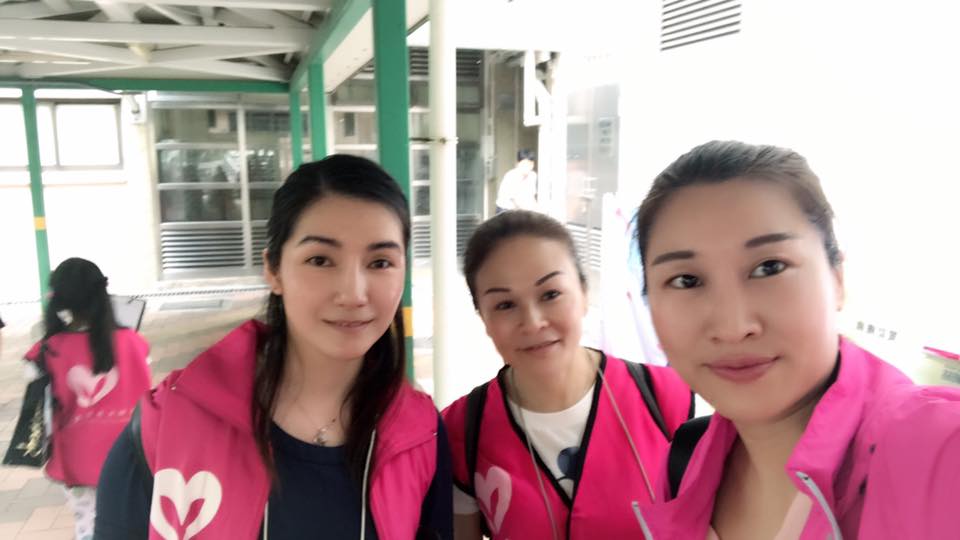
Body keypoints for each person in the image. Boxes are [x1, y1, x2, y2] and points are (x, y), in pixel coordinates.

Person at [94, 155, 453, 539]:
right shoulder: (167, 424)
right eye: (320, 260)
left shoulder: (421, 434)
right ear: (274, 270)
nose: (353, 293)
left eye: (380, 262)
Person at [631, 141, 960, 539]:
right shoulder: (683, 466)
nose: (734, 327)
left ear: (837, 278)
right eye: (687, 280)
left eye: (770, 267)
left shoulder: (939, 452)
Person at [442, 210, 693, 540]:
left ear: (584, 293)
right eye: (505, 305)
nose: (533, 322)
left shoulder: (670, 398)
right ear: (483, 319)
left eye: (550, 294)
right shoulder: (461, 429)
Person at [23, 258, 151, 540]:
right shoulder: (133, 342)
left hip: (75, 458)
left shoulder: (46, 351)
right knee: (132, 520)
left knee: (88, 525)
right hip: (130, 453)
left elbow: (39, 408)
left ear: (57, 299)